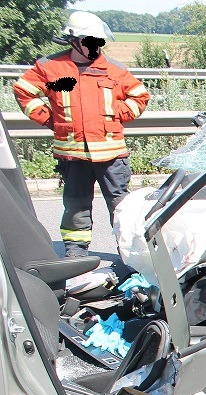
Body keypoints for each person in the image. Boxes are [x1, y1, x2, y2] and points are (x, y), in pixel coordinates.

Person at [13, 11, 150, 257]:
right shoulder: (51, 68)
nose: (95, 47)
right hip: (73, 154)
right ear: (73, 40)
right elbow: (23, 91)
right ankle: (76, 253)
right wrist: (50, 120)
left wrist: (118, 114)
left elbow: (140, 95)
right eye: (89, 41)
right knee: (76, 206)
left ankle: (130, 252)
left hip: (111, 154)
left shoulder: (113, 69)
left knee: (121, 207)